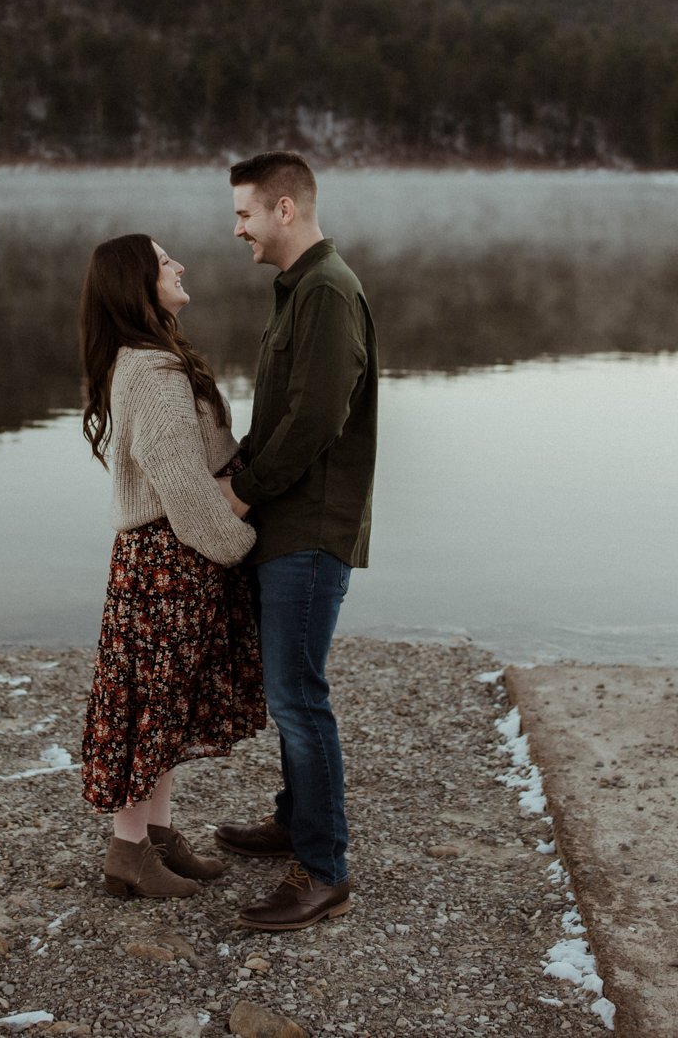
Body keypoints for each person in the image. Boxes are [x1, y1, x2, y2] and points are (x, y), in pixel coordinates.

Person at [213, 151, 379, 932]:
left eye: (245, 212)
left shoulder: (327, 291)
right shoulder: (300, 292)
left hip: (309, 531)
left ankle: (323, 870)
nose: (237, 227)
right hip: (288, 526)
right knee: (291, 695)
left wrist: (242, 489)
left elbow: (316, 421)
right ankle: (293, 818)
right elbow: (282, 415)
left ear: (284, 208)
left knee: (299, 697)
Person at [75, 233, 267, 899]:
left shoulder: (151, 358)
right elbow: (186, 488)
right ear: (138, 284)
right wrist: (244, 546)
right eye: (164, 262)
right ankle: (128, 850)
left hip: (163, 561)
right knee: (148, 708)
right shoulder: (154, 376)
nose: (180, 265)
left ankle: (157, 835)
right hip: (165, 561)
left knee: (163, 707)